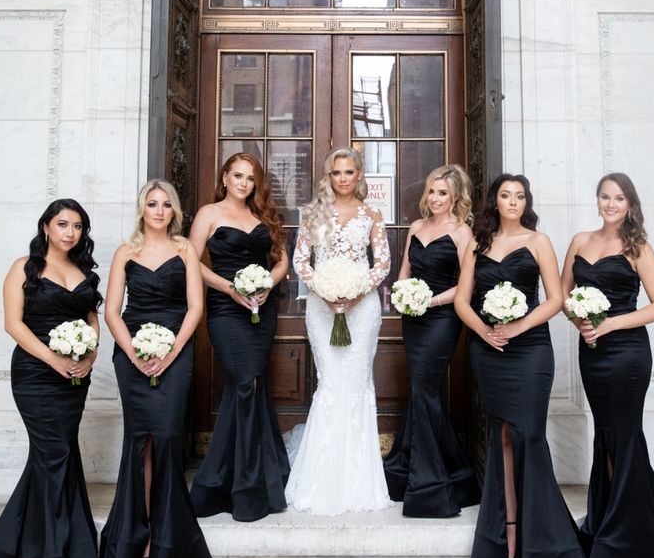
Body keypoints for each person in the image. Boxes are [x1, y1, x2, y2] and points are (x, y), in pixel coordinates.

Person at [561, 172, 654, 558]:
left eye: (618, 198)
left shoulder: (638, 246)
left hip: (627, 356)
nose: (610, 204)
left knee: (625, 435)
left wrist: (610, 324)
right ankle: (609, 525)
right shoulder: (579, 242)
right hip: (592, 352)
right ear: (597, 200)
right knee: (605, 435)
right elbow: (564, 297)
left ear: (630, 204)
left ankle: (638, 539)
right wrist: (582, 323)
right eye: (605, 197)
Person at [454, 174, 588, 558]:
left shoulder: (539, 241)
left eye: (520, 196)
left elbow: (555, 299)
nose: (513, 201)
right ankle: (505, 537)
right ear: (494, 201)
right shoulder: (479, 243)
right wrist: (486, 331)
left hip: (530, 352)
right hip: (489, 351)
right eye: (505, 195)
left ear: (526, 201)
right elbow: (462, 299)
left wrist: (516, 327)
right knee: (502, 438)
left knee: (529, 436)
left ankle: (544, 549)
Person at [0, 199, 101, 558]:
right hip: (34, 374)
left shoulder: (83, 271)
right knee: (54, 457)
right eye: (62, 224)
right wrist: (53, 359)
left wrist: (90, 356)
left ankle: (16, 555)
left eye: (78, 226)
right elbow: (13, 324)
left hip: (76, 376)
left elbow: (91, 321)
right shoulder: (23, 268)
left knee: (55, 457)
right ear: (46, 226)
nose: (70, 232)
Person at [99, 180, 211, 558]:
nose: (160, 210)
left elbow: (195, 308)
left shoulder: (186, 250)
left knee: (165, 438)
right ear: (142, 209)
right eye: (152, 203)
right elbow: (112, 311)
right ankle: (136, 536)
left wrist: (170, 352)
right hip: (131, 354)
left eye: (166, 204)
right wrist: (134, 354)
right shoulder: (124, 252)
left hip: (175, 354)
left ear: (175, 211)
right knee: (140, 440)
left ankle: (166, 539)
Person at [285, 147, 392, 514]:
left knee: (357, 383)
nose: (342, 178)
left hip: (362, 310)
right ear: (328, 176)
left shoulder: (372, 214)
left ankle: (358, 482)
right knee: (330, 384)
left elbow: (382, 264)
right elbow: (300, 260)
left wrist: (356, 291)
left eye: (349, 172)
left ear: (359, 175)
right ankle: (320, 480)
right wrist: (325, 292)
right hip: (321, 306)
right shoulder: (314, 214)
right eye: (336, 173)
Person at [189, 153, 289, 521]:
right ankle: (246, 484)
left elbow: (281, 262)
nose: (244, 183)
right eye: (238, 176)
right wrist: (230, 288)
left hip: (262, 311)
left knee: (249, 386)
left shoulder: (262, 217)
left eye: (250, 178)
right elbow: (190, 261)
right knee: (244, 383)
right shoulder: (208, 214)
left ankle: (236, 480)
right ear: (225, 176)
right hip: (226, 310)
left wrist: (267, 284)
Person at [384, 165, 480, 516]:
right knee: (423, 391)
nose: (436, 198)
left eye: (443, 193)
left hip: (442, 319)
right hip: (414, 319)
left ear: (455, 197)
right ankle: (444, 471)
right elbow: (405, 271)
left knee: (425, 389)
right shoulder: (416, 227)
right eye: (432, 192)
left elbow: (468, 284)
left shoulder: (462, 232)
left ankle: (431, 479)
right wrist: (405, 294)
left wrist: (431, 301)